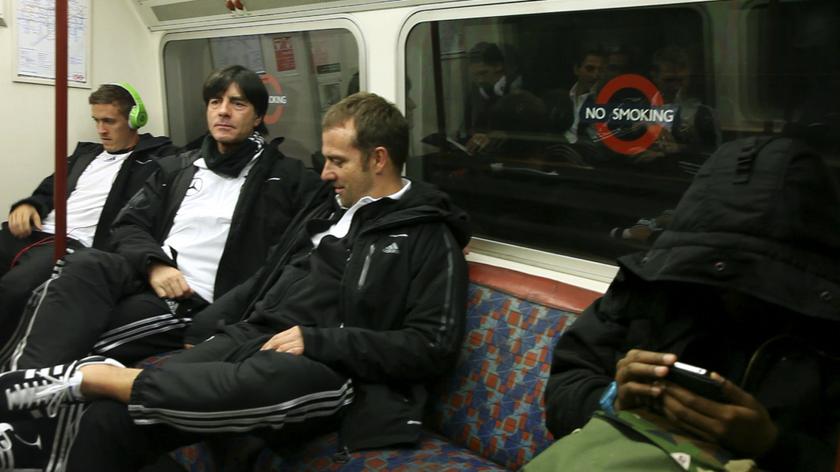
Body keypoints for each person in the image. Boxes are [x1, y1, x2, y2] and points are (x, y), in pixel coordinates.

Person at [0, 92, 470, 471]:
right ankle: (31, 441)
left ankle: (92, 376)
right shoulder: (328, 211)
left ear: (380, 159)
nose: (325, 174)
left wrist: (318, 341)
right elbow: (269, 275)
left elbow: (432, 345)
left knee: (247, 382)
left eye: (337, 162)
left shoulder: (427, 237)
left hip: (335, 369)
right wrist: (211, 327)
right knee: (114, 417)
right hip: (255, 334)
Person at [527, 136, 840, 471]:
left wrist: (770, 444)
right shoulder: (651, 289)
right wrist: (614, 399)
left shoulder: (824, 337)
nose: (730, 293)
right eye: (715, 272)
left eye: (757, 280)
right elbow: (563, 392)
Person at [3, 65, 319, 369]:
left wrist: (217, 318)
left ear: (258, 117)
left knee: (96, 333)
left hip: (195, 297)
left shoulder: (286, 178)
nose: (223, 111)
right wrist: (155, 265)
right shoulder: (179, 167)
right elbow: (128, 224)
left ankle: (26, 392)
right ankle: (20, 382)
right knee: (80, 266)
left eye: (237, 104)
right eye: (215, 102)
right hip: (149, 272)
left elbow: (293, 258)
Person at [0, 83, 175, 360]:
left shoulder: (158, 159)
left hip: (72, 243)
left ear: (134, 120)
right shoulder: (85, 155)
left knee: (15, 288)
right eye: (96, 121)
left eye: (109, 121)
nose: (101, 130)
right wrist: (28, 204)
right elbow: (50, 188)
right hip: (35, 230)